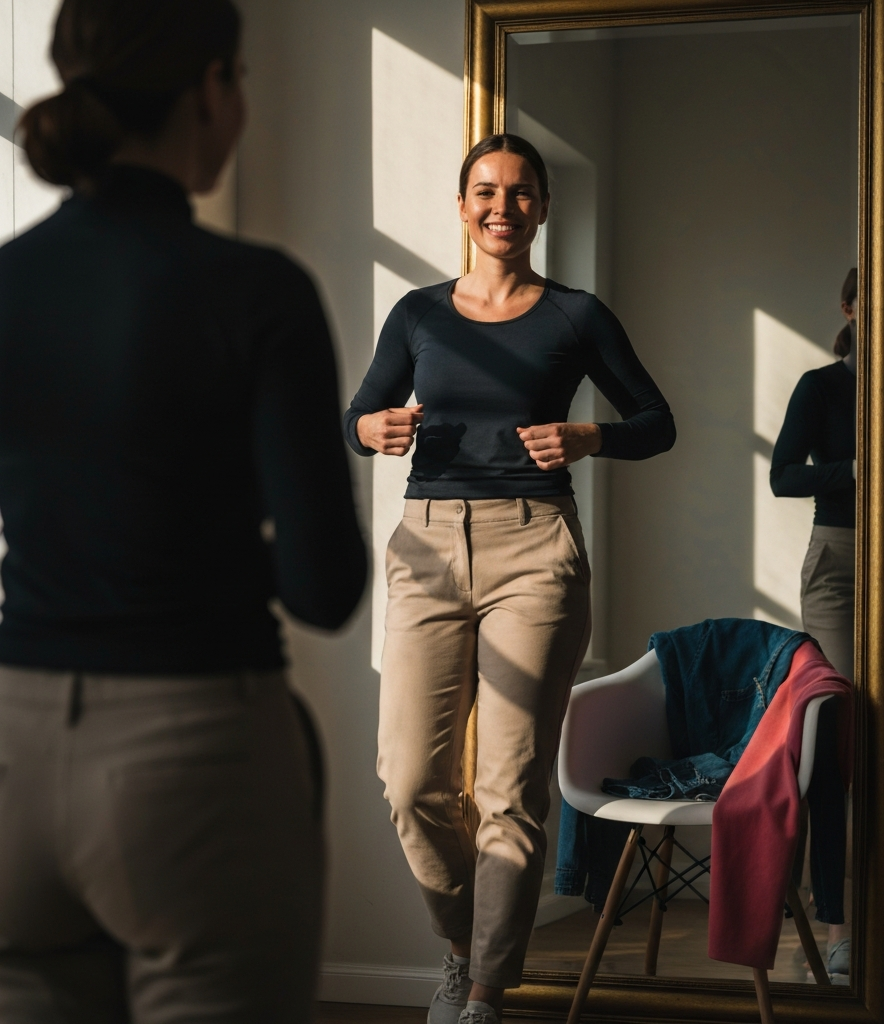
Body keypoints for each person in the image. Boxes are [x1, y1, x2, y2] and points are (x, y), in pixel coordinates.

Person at [0, 1, 367, 1021]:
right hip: (193, 754)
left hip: (12, 745)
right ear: (211, 86)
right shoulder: (257, 291)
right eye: (240, 78)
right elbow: (324, 588)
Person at [345, 134, 675, 1024]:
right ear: (462, 207)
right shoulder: (417, 313)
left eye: (521, 192)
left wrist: (589, 436)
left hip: (535, 548)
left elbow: (656, 421)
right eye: (486, 191)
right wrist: (372, 429)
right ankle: (464, 947)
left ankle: (486, 994)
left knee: (508, 787)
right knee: (409, 780)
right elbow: (360, 413)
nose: (503, 206)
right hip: (426, 546)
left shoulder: (575, 315)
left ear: (542, 209)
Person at [769, 267, 857, 979]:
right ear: (850, 309)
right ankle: (836, 924)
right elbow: (783, 476)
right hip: (840, 564)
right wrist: (858, 469)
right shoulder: (822, 386)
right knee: (833, 733)